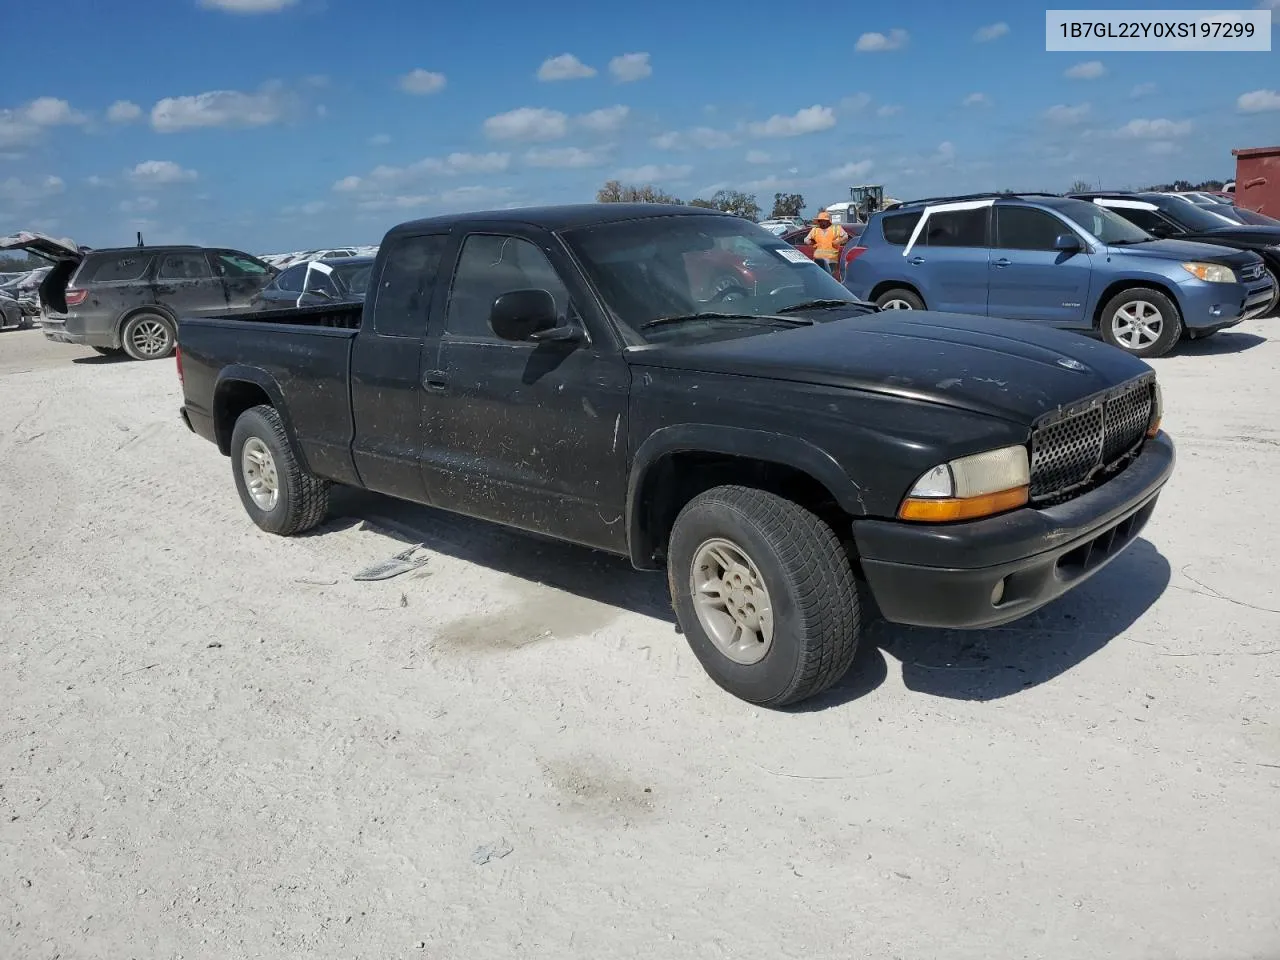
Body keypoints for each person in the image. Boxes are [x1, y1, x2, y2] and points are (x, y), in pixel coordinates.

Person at [804, 210, 849, 277]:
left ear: (827, 221)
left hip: (831, 260)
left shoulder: (836, 228)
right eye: (820, 220)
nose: (821, 222)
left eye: (823, 220)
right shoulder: (815, 230)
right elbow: (806, 240)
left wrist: (838, 241)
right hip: (819, 260)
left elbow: (845, 237)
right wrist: (813, 243)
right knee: (820, 278)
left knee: (830, 278)